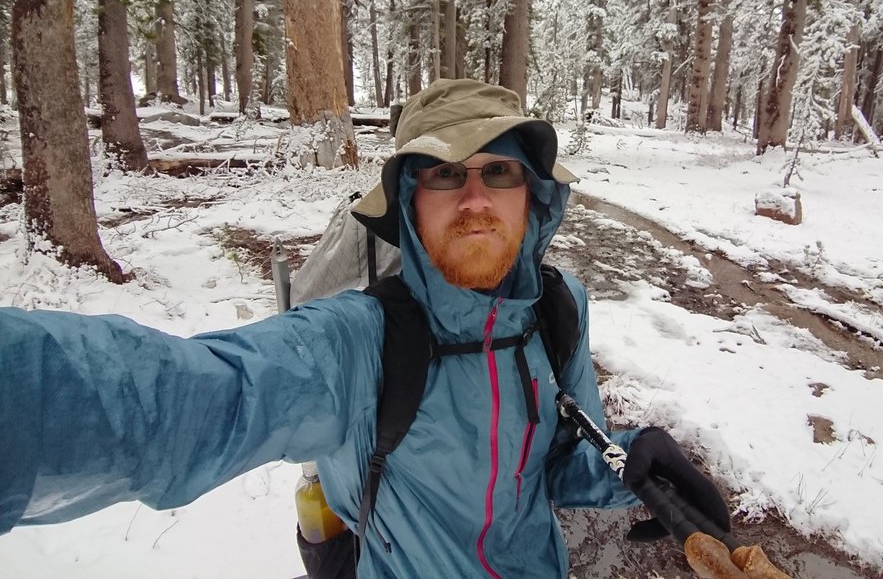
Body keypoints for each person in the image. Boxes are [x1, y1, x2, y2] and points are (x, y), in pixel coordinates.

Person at [0, 79, 729, 577]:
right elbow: (179, 401)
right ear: (408, 205)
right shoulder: (359, 342)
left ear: (535, 199)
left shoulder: (558, 309)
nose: (475, 198)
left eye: (499, 172)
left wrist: (630, 469)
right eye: (444, 175)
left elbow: (551, 465)